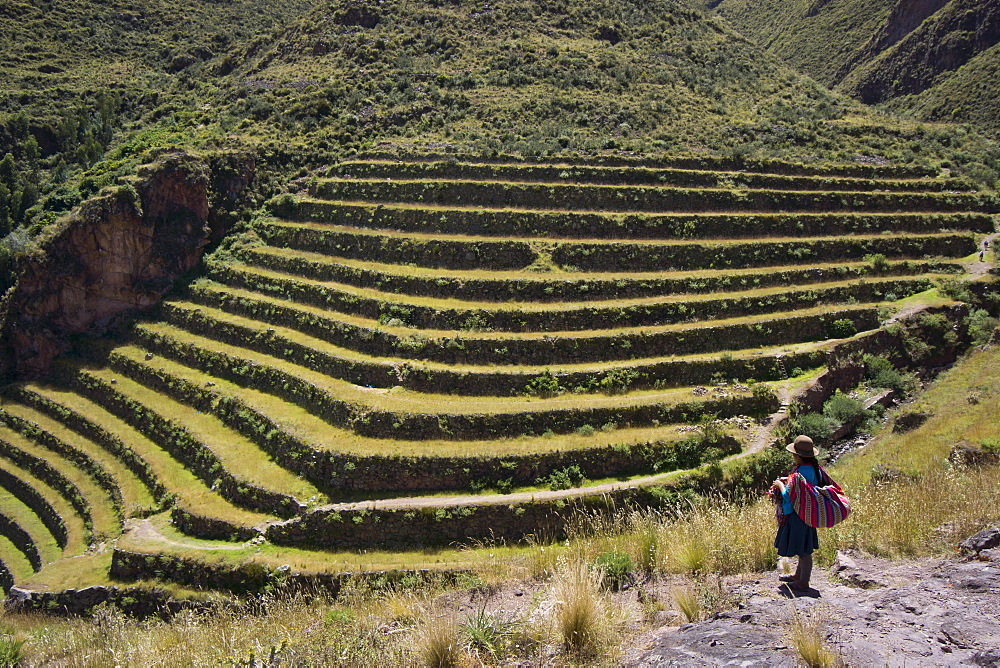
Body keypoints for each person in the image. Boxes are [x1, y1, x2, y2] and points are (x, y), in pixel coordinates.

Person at [771, 434, 822, 593]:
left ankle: (803, 582)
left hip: (798, 516)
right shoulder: (813, 469)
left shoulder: (799, 474)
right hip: (808, 513)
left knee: (804, 551)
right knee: (804, 547)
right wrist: (789, 479)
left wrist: (780, 485)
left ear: (798, 456)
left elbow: (789, 497)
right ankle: (798, 576)